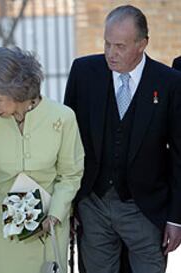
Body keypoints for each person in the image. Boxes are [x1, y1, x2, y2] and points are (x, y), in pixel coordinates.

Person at [64, 5, 181, 273]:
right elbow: (68, 142)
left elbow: (178, 155)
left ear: (142, 44)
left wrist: (176, 219)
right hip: (93, 204)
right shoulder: (84, 72)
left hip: (146, 208)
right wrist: (70, 205)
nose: (111, 53)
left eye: (120, 46)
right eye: (107, 43)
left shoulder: (169, 83)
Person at [0, 46, 84, 273]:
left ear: (18, 90)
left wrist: (55, 215)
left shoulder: (63, 117)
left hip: (49, 229)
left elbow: (70, 174)